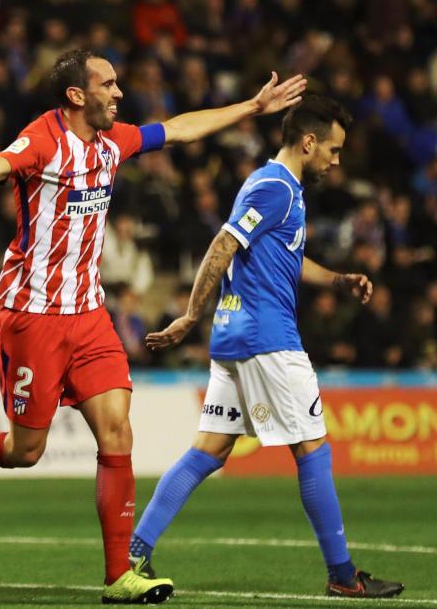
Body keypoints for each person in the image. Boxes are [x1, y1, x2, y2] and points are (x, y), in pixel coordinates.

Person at [0, 48, 306, 604]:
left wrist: (253, 106)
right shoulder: (42, 139)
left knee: (117, 432)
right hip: (32, 316)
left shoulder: (114, 142)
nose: (119, 93)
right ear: (76, 96)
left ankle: (119, 576)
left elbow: (179, 130)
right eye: (108, 85)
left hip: (88, 314)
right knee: (25, 450)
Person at [134, 95, 403, 599]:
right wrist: (192, 314)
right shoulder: (275, 187)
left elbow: (289, 258)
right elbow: (223, 244)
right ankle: (344, 577)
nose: (336, 160)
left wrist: (339, 280)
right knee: (314, 450)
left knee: (208, 450)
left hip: (238, 338)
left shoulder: (280, 190)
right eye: (333, 149)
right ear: (308, 142)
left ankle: (137, 549)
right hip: (269, 341)